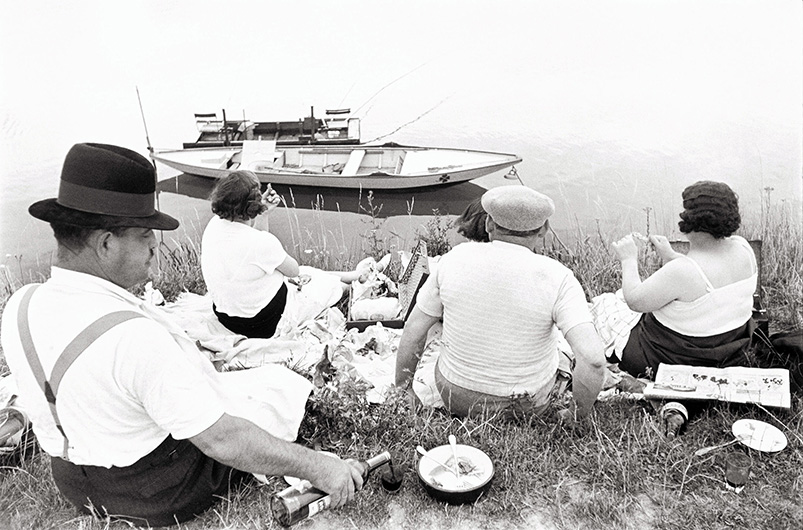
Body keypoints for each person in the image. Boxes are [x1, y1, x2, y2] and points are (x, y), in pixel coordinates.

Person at [0, 144, 364, 527]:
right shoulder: (134, 336)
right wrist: (321, 467)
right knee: (275, 389)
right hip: (153, 490)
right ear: (106, 244)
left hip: (72, 481)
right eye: (144, 235)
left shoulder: (21, 304)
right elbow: (221, 440)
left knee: (249, 389)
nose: (155, 246)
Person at [395, 186, 607, 421]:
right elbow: (594, 360)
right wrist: (577, 414)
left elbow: (414, 329)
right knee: (563, 354)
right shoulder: (559, 277)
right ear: (544, 230)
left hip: (455, 396)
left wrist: (404, 389)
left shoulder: (453, 259)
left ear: (489, 225)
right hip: (527, 405)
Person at [610, 181, 757, 437]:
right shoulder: (743, 249)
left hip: (673, 356)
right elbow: (702, 278)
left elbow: (634, 299)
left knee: (610, 304)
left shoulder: (683, 272)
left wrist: (628, 259)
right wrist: (668, 254)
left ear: (690, 219)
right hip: (730, 349)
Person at [201, 170, 368, 339]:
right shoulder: (261, 242)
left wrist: (263, 213)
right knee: (316, 281)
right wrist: (261, 211)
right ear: (253, 204)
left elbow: (256, 248)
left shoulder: (214, 226)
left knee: (306, 273)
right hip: (264, 323)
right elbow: (293, 271)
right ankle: (354, 283)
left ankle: (354, 275)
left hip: (228, 319)